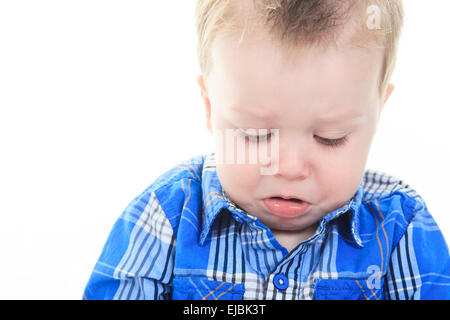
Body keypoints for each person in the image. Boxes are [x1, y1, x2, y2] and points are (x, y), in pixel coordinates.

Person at [83, 0, 450, 300]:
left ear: (377, 112)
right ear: (211, 107)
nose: (289, 168)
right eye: (255, 134)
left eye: (330, 137)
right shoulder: (164, 220)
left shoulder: (402, 229)